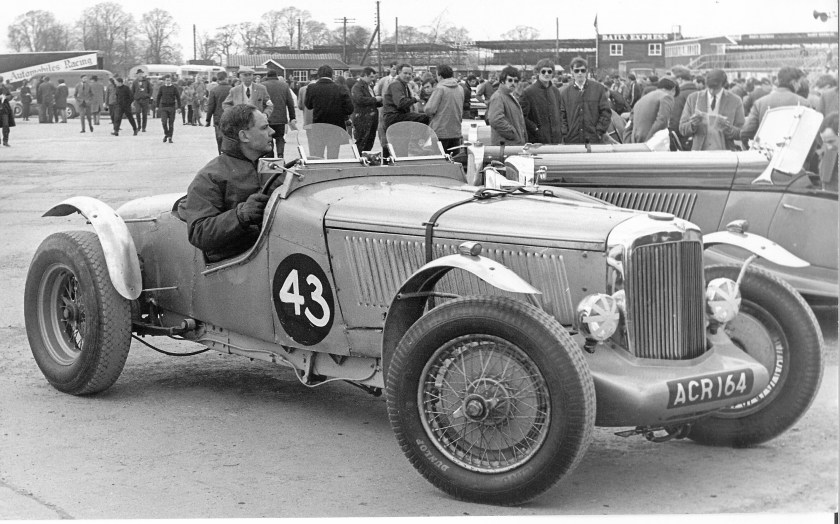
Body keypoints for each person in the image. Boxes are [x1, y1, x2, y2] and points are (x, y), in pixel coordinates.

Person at [182, 104, 276, 262]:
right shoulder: (210, 176)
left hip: (276, 251)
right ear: (244, 136)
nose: (272, 132)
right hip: (240, 261)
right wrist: (240, 215)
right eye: (264, 127)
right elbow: (199, 232)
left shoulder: (273, 167)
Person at [679, 69, 745, 151]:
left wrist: (728, 129)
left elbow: (742, 133)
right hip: (699, 154)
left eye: (716, 88)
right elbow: (682, 129)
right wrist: (693, 125)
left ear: (724, 85)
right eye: (709, 87)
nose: (712, 91)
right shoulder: (693, 98)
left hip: (726, 155)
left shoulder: (735, 101)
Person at [741, 67, 812, 142]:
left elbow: (746, 133)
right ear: (793, 82)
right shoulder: (804, 103)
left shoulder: (760, 103)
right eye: (799, 82)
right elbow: (811, 135)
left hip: (766, 151)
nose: (800, 86)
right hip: (794, 152)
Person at [305, 64, 355, 158]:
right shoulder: (340, 88)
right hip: (335, 127)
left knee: (318, 155)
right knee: (333, 156)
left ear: (318, 75)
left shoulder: (311, 88)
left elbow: (308, 105)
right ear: (332, 75)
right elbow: (349, 109)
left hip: (318, 126)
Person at [559, 57, 611, 145]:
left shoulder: (598, 89)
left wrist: (599, 131)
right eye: (576, 71)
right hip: (572, 140)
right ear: (571, 71)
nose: (580, 73)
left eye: (582, 70)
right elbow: (561, 115)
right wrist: (565, 133)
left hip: (593, 139)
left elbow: (606, 112)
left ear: (586, 71)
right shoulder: (565, 93)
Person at [424, 64, 465, 153]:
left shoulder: (440, 88)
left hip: (440, 131)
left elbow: (429, 109)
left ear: (440, 75)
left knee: (440, 160)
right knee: (453, 160)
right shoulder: (460, 88)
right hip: (456, 131)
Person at [520, 58, 563, 144]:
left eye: (549, 71)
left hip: (555, 139)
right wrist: (535, 129)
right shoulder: (528, 92)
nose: (546, 74)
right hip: (537, 141)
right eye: (543, 71)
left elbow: (560, 112)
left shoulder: (555, 91)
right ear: (538, 72)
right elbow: (522, 116)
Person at [486, 65, 527, 146]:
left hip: (512, 145)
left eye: (516, 81)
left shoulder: (510, 96)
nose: (513, 83)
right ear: (502, 81)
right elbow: (495, 120)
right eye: (510, 80)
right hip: (505, 146)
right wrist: (514, 134)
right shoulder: (498, 97)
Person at [382, 63, 430, 131]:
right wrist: (414, 99)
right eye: (405, 73)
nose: (408, 76)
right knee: (426, 118)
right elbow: (401, 103)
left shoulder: (405, 85)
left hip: (397, 117)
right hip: (393, 117)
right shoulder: (396, 84)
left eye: (410, 74)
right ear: (399, 72)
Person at [262, 70, 297, 158]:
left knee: (268, 138)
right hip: (280, 118)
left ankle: (270, 157)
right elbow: (290, 103)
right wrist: (292, 117)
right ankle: (280, 154)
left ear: (267, 75)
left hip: (266, 118)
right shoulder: (284, 85)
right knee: (280, 138)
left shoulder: (262, 86)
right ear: (277, 75)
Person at [630, 77, 677, 143]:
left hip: (635, 139)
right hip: (652, 142)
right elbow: (662, 120)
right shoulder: (666, 97)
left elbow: (631, 121)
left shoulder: (642, 99)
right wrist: (649, 139)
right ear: (673, 90)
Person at [350, 67, 382, 153]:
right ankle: (359, 159)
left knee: (369, 140)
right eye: (371, 77)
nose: (373, 79)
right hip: (362, 118)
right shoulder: (357, 87)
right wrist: (375, 99)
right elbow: (359, 100)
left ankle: (365, 157)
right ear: (364, 75)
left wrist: (382, 101)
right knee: (361, 140)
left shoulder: (369, 87)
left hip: (371, 118)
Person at [669, 66, 699, 149]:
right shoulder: (700, 93)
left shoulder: (678, 96)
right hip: (698, 140)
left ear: (679, 80)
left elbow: (675, 121)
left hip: (684, 141)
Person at [373, 62, 398, 157]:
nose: (395, 71)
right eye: (393, 68)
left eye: (396, 69)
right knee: (383, 130)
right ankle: (385, 150)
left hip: (396, 110)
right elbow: (378, 93)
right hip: (384, 109)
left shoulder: (401, 81)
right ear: (390, 69)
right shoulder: (383, 81)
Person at [205, 71, 233, 152]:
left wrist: (208, 120)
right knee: (230, 138)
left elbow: (211, 106)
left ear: (218, 79)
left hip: (218, 118)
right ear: (226, 78)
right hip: (230, 117)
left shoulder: (214, 91)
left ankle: (221, 155)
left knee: (219, 138)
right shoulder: (232, 89)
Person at [155, 75, 181, 144]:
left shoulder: (174, 88)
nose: (168, 81)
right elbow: (158, 97)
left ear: (171, 81)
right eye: (167, 80)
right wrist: (157, 106)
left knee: (171, 123)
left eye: (169, 80)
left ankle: (170, 137)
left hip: (172, 107)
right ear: (164, 81)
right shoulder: (162, 88)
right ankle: (166, 133)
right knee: (164, 122)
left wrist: (179, 107)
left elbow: (178, 97)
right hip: (164, 107)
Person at [0, 76, 14, 146]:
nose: (1, 83)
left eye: (1, 81)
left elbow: (11, 96)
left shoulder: (4, 88)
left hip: (4, 109)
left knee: (6, 125)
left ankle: (5, 141)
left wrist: (6, 97)